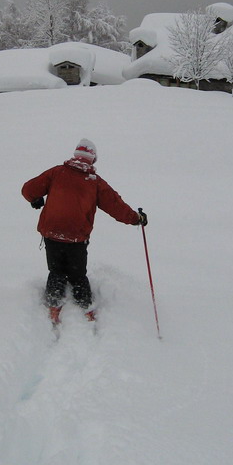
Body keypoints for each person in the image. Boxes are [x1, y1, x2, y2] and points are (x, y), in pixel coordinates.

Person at [22, 138, 147, 326]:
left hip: (52, 234)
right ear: (92, 159)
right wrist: (136, 218)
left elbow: (28, 189)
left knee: (56, 271)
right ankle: (86, 307)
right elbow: (116, 206)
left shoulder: (56, 172)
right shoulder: (95, 183)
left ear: (75, 156)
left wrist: (35, 199)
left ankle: (54, 306)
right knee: (78, 274)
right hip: (76, 238)